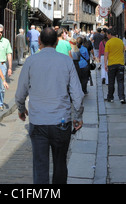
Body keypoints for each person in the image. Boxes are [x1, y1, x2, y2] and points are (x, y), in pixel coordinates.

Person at [15, 27, 84, 185]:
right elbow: (77, 95)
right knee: (60, 164)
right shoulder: (66, 61)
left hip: (38, 121)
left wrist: (21, 110)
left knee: (40, 166)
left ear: (39, 41)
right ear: (57, 41)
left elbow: (20, 93)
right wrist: (78, 116)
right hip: (61, 121)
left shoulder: (31, 61)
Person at [104, 28, 126, 104]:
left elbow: (106, 55)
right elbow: (124, 50)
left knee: (111, 82)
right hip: (120, 64)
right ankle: (122, 98)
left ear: (110, 34)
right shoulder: (121, 41)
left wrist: (105, 64)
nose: (107, 36)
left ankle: (110, 97)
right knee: (120, 82)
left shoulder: (108, 43)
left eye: (107, 35)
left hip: (111, 64)